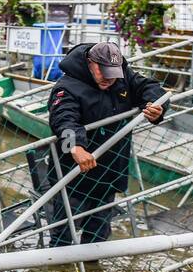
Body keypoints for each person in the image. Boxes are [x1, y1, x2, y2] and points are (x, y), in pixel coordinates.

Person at [46, 40, 166, 248]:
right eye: (104, 73)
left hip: (110, 172)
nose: (110, 80)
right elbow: (62, 119)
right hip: (75, 175)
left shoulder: (121, 76)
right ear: (90, 63)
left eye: (114, 74)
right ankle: (58, 271)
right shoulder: (66, 87)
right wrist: (75, 146)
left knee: (99, 234)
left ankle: (93, 270)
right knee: (64, 233)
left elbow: (149, 86)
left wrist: (154, 106)